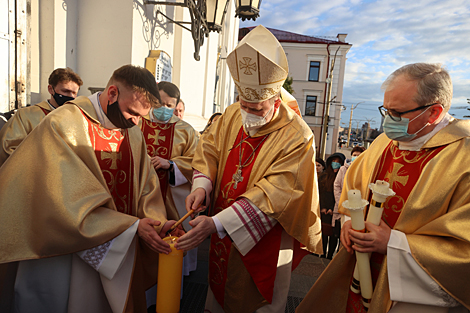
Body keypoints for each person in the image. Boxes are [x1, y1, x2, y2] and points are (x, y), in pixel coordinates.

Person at [0, 64, 182, 313]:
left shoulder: (132, 133)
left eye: (142, 116)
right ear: (112, 93)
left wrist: (157, 222)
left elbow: (145, 184)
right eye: (132, 113)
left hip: (116, 248)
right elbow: (59, 194)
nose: (136, 121)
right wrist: (130, 226)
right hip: (63, 250)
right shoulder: (62, 123)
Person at [296, 63, 470, 313]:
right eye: (385, 110)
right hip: (359, 272)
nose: (388, 121)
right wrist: (348, 223)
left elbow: (463, 250)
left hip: (411, 296)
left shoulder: (463, 158)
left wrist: (393, 243)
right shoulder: (384, 142)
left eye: (397, 113)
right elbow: (352, 189)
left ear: (434, 113)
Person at [176, 25, 322, 313]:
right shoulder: (233, 113)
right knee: (219, 291)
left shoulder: (298, 135)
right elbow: (209, 148)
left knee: (256, 302)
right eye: (244, 104)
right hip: (221, 230)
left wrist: (216, 223)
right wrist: (201, 186)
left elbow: (278, 193)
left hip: (263, 236)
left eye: (256, 108)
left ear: (275, 100)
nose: (248, 114)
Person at [139, 81, 199, 277]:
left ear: (176, 105)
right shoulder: (137, 122)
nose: (163, 109)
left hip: (172, 196)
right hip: (141, 195)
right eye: (160, 103)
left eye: (169, 105)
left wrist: (171, 165)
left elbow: (198, 163)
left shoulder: (186, 131)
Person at [0, 67, 83, 166]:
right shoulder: (25, 115)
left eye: (74, 93)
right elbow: (8, 148)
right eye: (65, 91)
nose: (71, 96)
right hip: (35, 173)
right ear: (50, 89)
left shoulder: (78, 117)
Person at [332, 146, 366, 239]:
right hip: (343, 206)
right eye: (354, 155)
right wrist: (340, 202)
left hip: (357, 208)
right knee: (341, 234)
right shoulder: (343, 169)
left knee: (353, 235)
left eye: (359, 155)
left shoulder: (365, 170)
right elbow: (337, 185)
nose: (356, 157)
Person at [318, 152, 345, 259]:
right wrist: (323, 207)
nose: (335, 164)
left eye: (338, 162)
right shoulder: (324, 176)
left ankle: (330, 256)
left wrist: (333, 208)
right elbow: (320, 193)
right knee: (324, 232)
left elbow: (339, 194)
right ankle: (323, 252)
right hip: (324, 208)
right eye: (334, 161)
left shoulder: (342, 176)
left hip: (335, 208)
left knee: (334, 234)